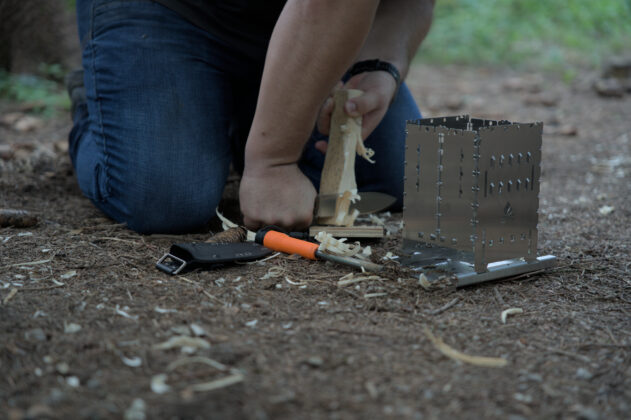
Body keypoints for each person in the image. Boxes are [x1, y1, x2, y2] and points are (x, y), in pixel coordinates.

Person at [67, 0, 435, 234]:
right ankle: (98, 105)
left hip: (301, 26)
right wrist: (273, 163)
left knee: (396, 174)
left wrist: (381, 63)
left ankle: (243, 111)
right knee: (167, 198)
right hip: (165, 11)